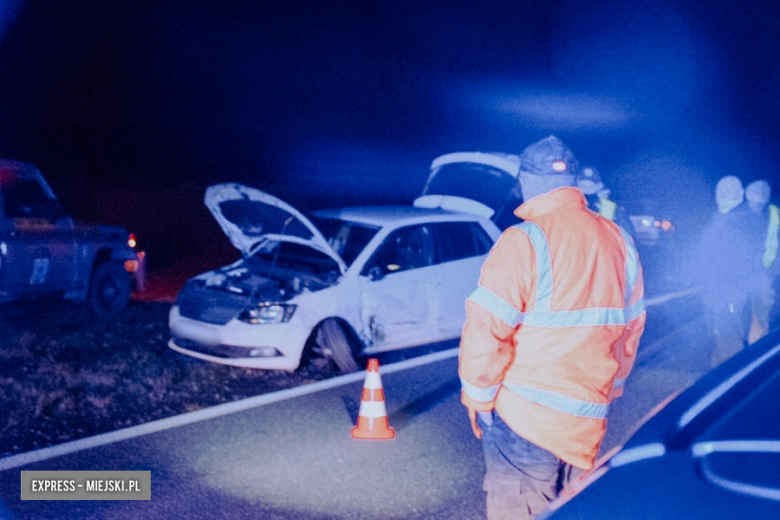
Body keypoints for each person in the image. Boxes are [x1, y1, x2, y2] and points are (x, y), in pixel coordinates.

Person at [458, 135, 646, 520]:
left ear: (526, 182)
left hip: (524, 420)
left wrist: (478, 398)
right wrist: (614, 386)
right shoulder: (620, 241)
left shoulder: (523, 241)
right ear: (574, 182)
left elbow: (486, 329)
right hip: (587, 417)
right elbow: (631, 327)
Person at [693, 175, 754, 367]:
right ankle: (718, 382)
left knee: (730, 345)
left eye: (729, 190)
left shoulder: (743, 220)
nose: (723, 194)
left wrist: (734, 292)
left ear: (740, 194)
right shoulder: (719, 217)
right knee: (717, 341)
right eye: (720, 190)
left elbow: (746, 261)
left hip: (728, 294)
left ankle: (736, 389)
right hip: (713, 292)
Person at [743, 180, 780, 343]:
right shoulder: (748, 214)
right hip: (756, 276)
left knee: (760, 321)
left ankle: (757, 356)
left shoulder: (768, 215)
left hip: (764, 277)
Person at [576, 166, 636, 241]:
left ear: (600, 185)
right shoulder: (570, 206)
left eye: (590, 187)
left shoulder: (613, 209)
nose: (586, 189)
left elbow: (629, 238)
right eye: (583, 186)